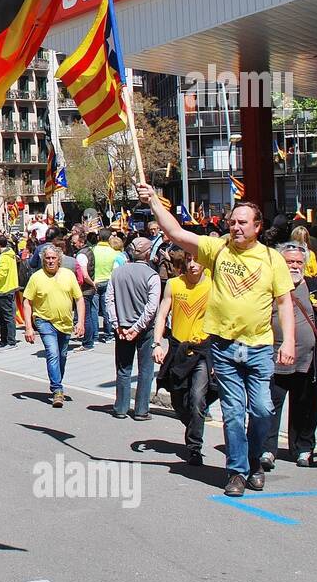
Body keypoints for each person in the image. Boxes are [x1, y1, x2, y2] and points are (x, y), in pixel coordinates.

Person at [139, 184, 295, 497]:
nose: (235, 227)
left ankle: (254, 461)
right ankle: (237, 472)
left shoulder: (272, 259)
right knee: (235, 413)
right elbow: (175, 232)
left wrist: (288, 342)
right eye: (232, 222)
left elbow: (284, 303)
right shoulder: (217, 248)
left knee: (263, 409)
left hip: (259, 347)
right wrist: (153, 201)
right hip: (223, 347)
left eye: (242, 222)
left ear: (257, 227)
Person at [267, 243, 317, 469]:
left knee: (305, 406)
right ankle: (267, 449)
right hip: (274, 358)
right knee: (269, 406)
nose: (294, 266)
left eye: (298, 262)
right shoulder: (270, 287)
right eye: (289, 262)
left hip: (308, 361)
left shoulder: (316, 286)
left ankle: (303, 448)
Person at [152, 248, 213, 465]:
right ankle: (194, 424)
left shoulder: (213, 285)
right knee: (178, 400)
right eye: (188, 260)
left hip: (202, 350)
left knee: (197, 397)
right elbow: (161, 314)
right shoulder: (174, 284)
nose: (192, 264)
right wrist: (157, 343)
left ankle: (194, 446)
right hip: (178, 349)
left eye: (197, 260)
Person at [22, 244, 85, 409]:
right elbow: (27, 302)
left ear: (59, 260)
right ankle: (57, 389)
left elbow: (79, 299)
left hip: (65, 323)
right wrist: (29, 327)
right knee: (52, 353)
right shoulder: (37, 277)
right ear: (43, 260)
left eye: (53, 258)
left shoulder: (68, 275)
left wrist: (80, 322)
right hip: (44, 321)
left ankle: (57, 381)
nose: (50, 261)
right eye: (47, 258)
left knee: (62, 355)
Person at [105, 236, 161, 421]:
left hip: (122, 327)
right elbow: (152, 307)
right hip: (144, 330)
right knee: (145, 369)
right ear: (147, 254)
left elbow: (109, 300)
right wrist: (137, 328)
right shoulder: (152, 276)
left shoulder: (118, 273)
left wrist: (117, 324)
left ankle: (121, 407)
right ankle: (141, 410)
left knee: (123, 368)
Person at [0, 233, 20, 348]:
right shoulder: (11, 254)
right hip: (9, 288)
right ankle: (4, 340)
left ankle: (10, 341)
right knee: (4, 318)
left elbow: (1, 275)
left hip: (4, 289)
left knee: (7, 318)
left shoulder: (3, 257)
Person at [90, 229, 120, 343]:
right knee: (107, 308)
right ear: (109, 239)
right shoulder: (113, 252)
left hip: (95, 283)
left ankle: (95, 336)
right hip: (108, 282)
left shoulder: (93, 250)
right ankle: (108, 335)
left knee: (94, 310)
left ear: (98, 238)